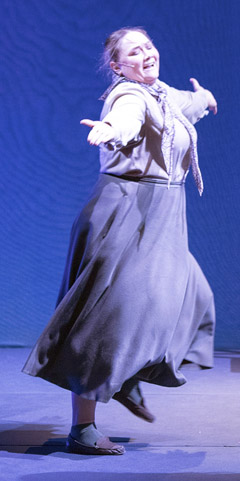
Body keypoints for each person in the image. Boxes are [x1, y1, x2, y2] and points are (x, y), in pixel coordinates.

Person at [22, 27, 219, 454]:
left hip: (163, 215)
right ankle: (83, 428)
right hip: (126, 211)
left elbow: (186, 105)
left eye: (148, 46)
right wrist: (109, 129)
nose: (146, 54)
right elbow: (127, 120)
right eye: (134, 51)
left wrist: (204, 98)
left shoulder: (162, 93)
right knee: (104, 319)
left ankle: (128, 373)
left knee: (191, 297)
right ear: (117, 66)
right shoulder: (128, 95)